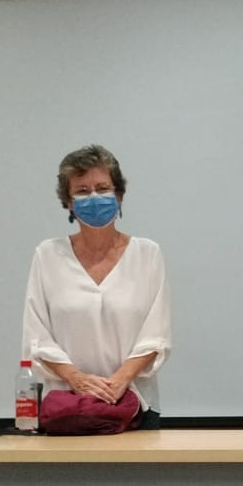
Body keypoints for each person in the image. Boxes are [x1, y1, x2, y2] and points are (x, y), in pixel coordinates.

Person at [22, 144, 171, 423]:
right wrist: (77, 379)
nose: (94, 197)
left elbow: (155, 336)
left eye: (103, 188)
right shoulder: (48, 255)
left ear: (119, 195)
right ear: (68, 202)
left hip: (135, 403)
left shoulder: (147, 254)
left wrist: (119, 381)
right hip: (67, 407)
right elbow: (37, 336)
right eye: (82, 191)